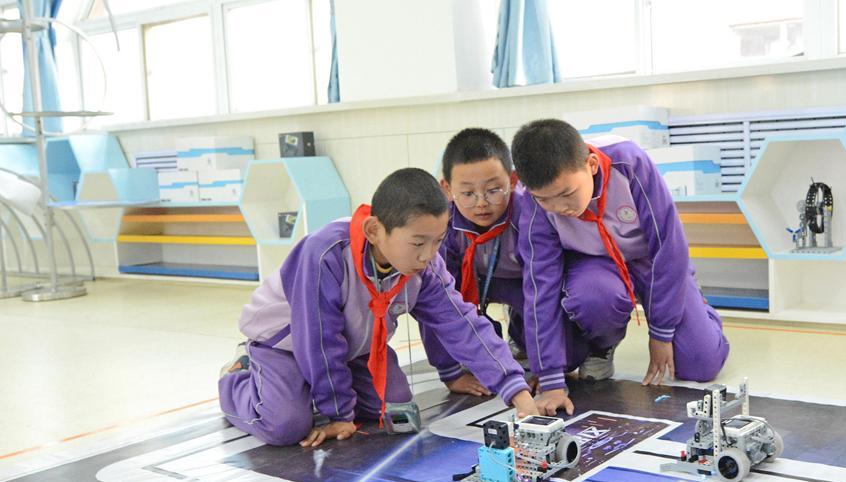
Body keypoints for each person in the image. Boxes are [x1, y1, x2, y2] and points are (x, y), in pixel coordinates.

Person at [219, 167, 538, 447]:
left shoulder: (424, 267)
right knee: (285, 425)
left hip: (353, 351)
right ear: (374, 231)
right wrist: (339, 413)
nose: (428, 255)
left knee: (393, 406)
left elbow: (462, 324)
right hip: (284, 346)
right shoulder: (326, 253)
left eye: (438, 241)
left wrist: (515, 390)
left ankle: (306, 387)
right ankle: (238, 376)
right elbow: (318, 338)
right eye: (418, 243)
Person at [511, 119, 729, 415]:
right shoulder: (532, 201)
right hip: (594, 264)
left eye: (567, 194)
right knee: (589, 304)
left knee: (701, 363)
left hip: (648, 259)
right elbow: (540, 283)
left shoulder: (629, 162)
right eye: (545, 200)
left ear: (591, 165)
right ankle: (602, 346)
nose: (560, 208)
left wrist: (662, 332)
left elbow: (669, 244)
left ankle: (701, 311)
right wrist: (550, 378)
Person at [420, 128, 529, 397]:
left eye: (493, 190)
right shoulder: (441, 223)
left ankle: (523, 339)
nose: (481, 203)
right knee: (438, 294)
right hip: (474, 284)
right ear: (447, 189)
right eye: (467, 193)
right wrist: (450, 373)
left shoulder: (529, 214)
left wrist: (547, 371)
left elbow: (545, 291)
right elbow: (434, 301)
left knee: (539, 309)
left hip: (520, 284)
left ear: (512, 180)